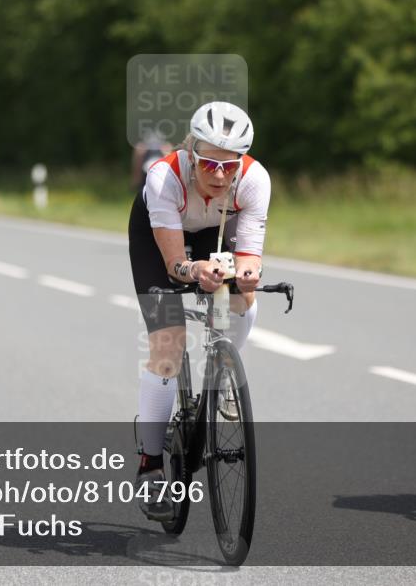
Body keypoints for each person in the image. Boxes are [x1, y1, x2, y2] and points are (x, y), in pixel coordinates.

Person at [128, 102, 270, 519]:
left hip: (214, 229)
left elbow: (250, 253)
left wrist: (246, 273)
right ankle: (151, 464)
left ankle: (224, 370)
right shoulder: (164, 177)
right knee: (168, 348)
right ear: (191, 150)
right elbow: (174, 265)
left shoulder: (255, 180)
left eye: (231, 165)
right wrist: (194, 271)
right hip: (161, 236)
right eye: (209, 163)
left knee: (243, 296)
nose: (220, 174)